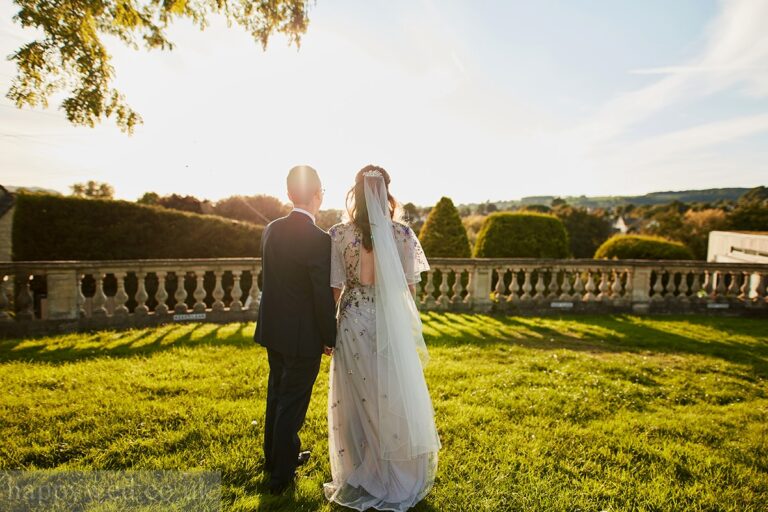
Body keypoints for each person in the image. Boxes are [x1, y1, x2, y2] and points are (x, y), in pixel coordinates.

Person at [324, 165, 441, 511]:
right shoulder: (403, 234)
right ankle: (395, 469)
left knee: (356, 400)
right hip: (389, 323)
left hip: (351, 321)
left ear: (355, 193)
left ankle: (360, 467)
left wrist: (334, 325)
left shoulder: (338, 234)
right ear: (386, 193)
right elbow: (408, 291)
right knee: (391, 395)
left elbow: (334, 288)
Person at [254, 165, 337, 495]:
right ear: (318, 196)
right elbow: (320, 293)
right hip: (303, 335)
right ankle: (280, 476)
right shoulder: (320, 240)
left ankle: (275, 457)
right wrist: (328, 337)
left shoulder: (271, 229)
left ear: (289, 194)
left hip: (273, 329)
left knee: (276, 393)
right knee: (292, 402)